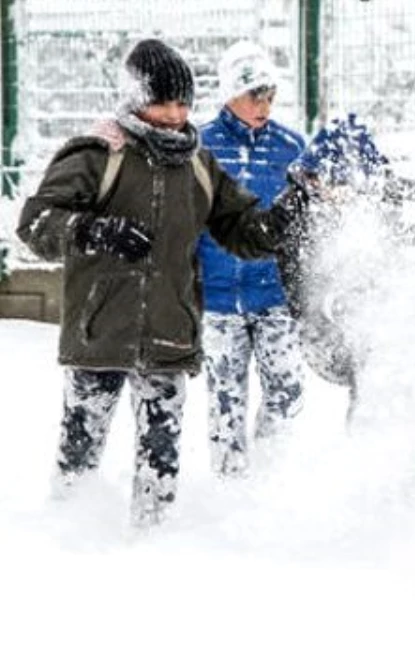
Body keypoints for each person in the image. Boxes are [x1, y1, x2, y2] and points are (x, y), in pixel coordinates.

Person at [17, 39, 291, 527]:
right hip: (98, 336)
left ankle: (153, 548)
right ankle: (66, 544)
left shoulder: (197, 163)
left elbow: (243, 229)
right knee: (79, 456)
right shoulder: (99, 155)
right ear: (134, 99)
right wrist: (91, 230)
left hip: (168, 335)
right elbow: (36, 224)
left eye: (183, 102)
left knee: (160, 463)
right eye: (162, 101)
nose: (174, 114)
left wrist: (286, 220)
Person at [274, 113, 415, 426]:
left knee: (375, 377)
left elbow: (414, 260)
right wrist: (308, 311)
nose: (335, 192)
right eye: (324, 181)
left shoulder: (395, 205)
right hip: (323, 323)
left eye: (344, 183)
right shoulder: (296, 207)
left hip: (379, 316)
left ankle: (370, 435)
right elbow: (290, 266)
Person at [198, 41, 307, 478]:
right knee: (225, 397)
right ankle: (230, 485)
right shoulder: (200, 147)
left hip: (274, 296)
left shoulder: (291, 147)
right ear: (229, 93)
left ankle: (268, 473)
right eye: (253, 94)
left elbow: (305, 224)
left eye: (269, 94)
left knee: (287, 388)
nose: (263, 104)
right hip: (218, 299)